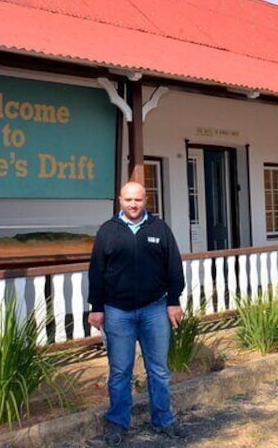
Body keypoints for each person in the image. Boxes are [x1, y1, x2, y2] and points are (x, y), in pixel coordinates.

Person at [87, 181, 186, 445]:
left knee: (159, 370)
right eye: (129, 200)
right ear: (120, 200)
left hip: (154, 309)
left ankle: (164, 421)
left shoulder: (159, 229)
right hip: (117, 311)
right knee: (120, 371)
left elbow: (173, 266)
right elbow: (96, 271)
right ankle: (118, 425)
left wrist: (173, 301)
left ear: (146, 200)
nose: (133, 205)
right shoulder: (107, 231)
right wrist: (96, 308)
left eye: (138, 200)